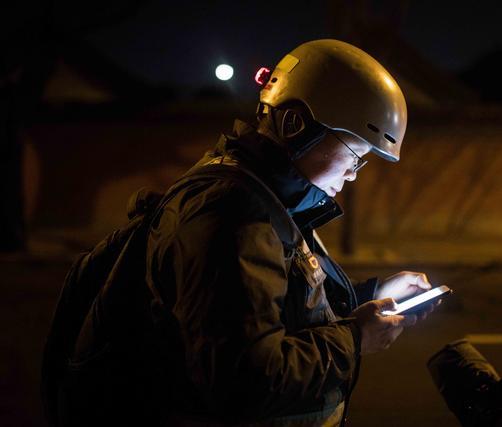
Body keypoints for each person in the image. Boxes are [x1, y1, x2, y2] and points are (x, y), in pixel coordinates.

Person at [96, 39, 437, 426]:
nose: (354, 174)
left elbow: (280, 311)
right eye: (355, 155)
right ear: (297, 125)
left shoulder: (272, 201)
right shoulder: (232, 215)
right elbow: (244, 380)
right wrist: (355, 340)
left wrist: (373, 296)